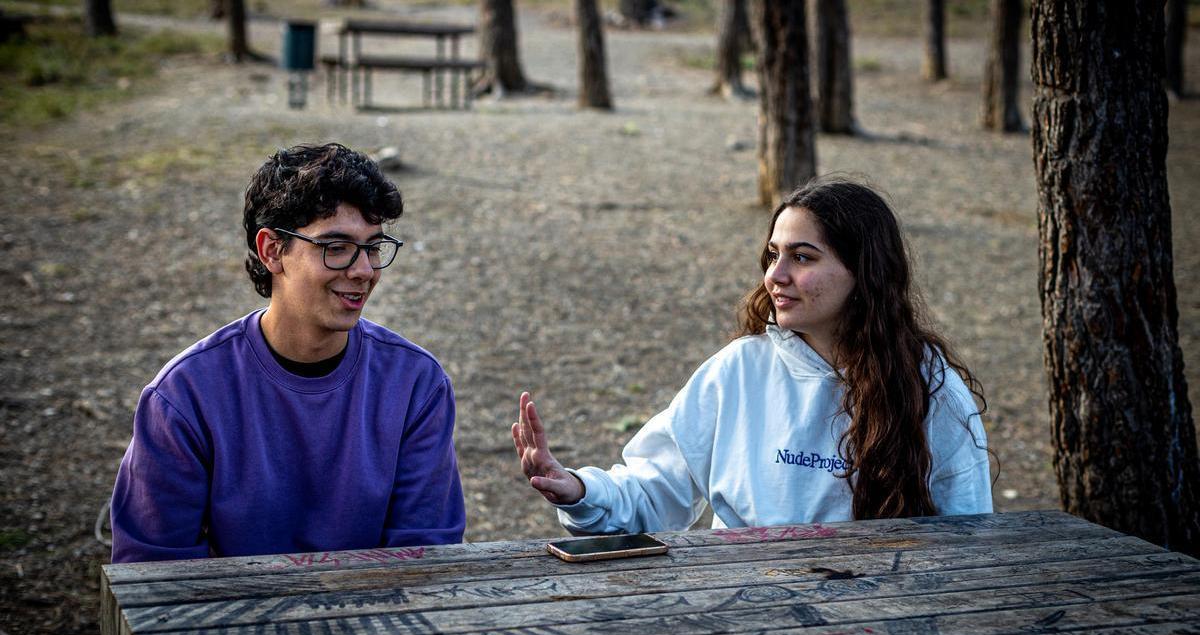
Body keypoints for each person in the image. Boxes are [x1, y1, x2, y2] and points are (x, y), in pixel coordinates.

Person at [513, 177, 992, 534]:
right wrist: (577, 489)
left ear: (865, 272)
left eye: (803, 257)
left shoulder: (929, 389)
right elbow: (653, 493)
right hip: (743, 612)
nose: (775, 275)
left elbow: (967, 539)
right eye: (773, 254)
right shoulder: (737, 370)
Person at [110, 143, 466, 562]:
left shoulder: (415, 384)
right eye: (336, 247)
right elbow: (153, 571)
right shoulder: (185, 396)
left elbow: (425, 553)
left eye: (373, 246)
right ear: (272, 251)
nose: (365, 270)